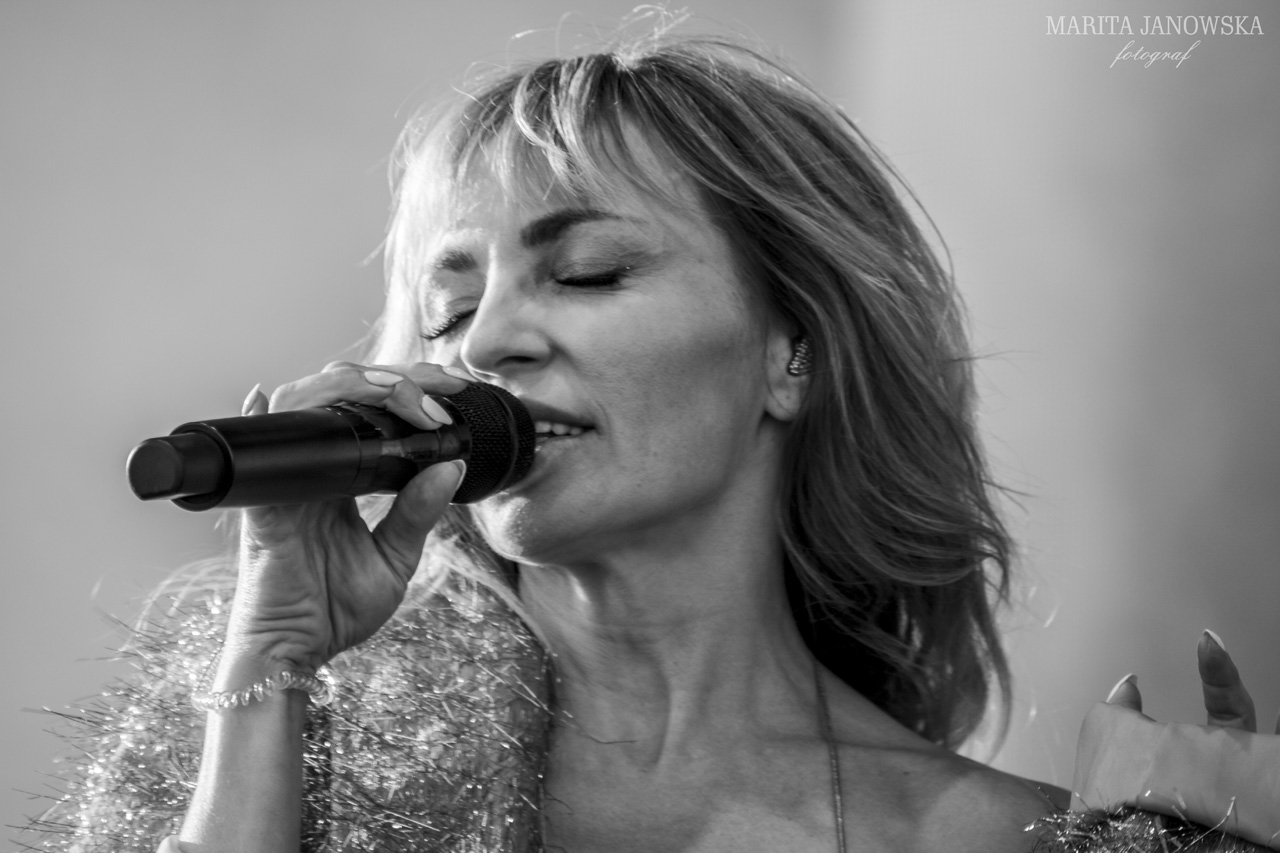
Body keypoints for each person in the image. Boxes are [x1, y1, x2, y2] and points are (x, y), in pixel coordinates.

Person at [26, 31, 1275, 853]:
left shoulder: (1005, 836)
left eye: (586, 272)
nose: (487, 341)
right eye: (448, 309)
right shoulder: (296, 750)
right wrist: (266, 668)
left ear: (792, 353)